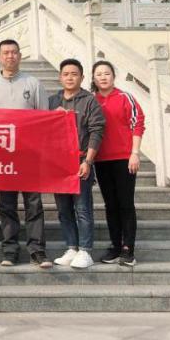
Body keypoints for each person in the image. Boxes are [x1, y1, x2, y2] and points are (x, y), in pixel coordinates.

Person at [0, 39, 52, 269]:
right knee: (7, 204)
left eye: (14, 52)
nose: (10, 56)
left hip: (29, 153)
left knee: (34, 203)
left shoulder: (33, 83)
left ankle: (37, 250)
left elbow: (44, 119)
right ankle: (10, 250)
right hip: (3, 155)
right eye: (5, 53)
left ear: (20, 56)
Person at [50, 58, 106, 270]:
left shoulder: (90, 101)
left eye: (74, 74)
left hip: (80, 160)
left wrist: (88, 161)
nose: (70, 78)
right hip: (58, 163)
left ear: (82, 77)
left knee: (82, 208)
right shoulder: (52, 101)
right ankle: (71, 247)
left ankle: (85, 250)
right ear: (60, 77)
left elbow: (96, 131)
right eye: (66, 74)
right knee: (63, 209)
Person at [92, 60, 145, 267]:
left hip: (124, 159)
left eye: (107, 73)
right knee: (110, 205)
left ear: (114, 76)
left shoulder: (125, 98)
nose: (103, 77)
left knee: (125, 203)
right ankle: (115, 246)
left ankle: (128, 248)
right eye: (99, 74)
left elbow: (138, 123)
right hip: (101, 159)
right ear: (93, 78)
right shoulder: (91, 100)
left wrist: (135, 153)